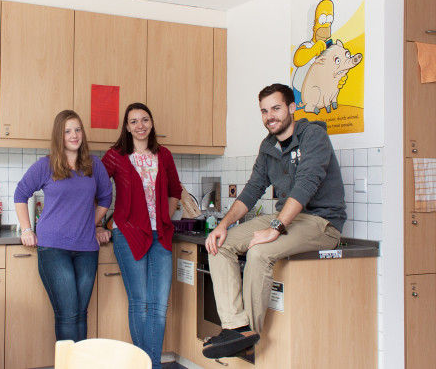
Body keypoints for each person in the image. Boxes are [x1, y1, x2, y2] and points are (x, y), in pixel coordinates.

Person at [202, 83, 346, 359]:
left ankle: (246, 338)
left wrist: (276, 228)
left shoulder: (313, 136)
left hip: (321, 222)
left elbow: (306, 184)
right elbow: (252, 190)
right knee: (219, 245)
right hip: (287, 217)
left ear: (292, 108)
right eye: (265, 111)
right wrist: (222, 226)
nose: (270, 116)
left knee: (259, 252)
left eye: (276, 108)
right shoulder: (268, 146)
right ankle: (236, 327)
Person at [14, 109, 113, 342]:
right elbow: (21, 193)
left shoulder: (94, 165)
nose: (74, 135)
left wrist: (93, 223)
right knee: (68, 314)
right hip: (54, 249)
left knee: (80, 313)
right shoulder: (46, 165)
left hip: (87, 249)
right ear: (59, 135)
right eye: (68, 131)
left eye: (77, 129)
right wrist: (27, 229)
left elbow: (106, 198)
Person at [101, 103, 182, 369]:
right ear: (126, 126)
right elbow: (98, 190)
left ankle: (152, 365)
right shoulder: (115, 156)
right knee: (140, 302)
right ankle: (143, 365)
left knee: (158, 305)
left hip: (161, 236)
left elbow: (175, 191)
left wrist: (165, 218)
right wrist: (101, 224)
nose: (140, 125)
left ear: (151, 123)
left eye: (145, 119)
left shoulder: (164, 155)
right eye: (134, 121)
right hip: (127, 234)